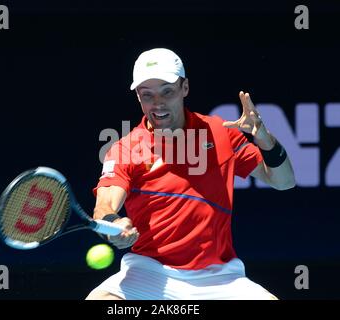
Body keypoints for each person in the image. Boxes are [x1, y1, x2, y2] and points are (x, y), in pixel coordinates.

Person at [86, 48, 295, 300]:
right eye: (147, 95)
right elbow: (105, 206)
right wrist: (114, 224)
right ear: (138, 98)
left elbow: (284, 181)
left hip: (220, 277)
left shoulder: (220, 132)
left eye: (167, 91)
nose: (158, 103)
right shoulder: (124, 150)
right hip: (150, 271)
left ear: (185, 88)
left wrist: (263, 136)